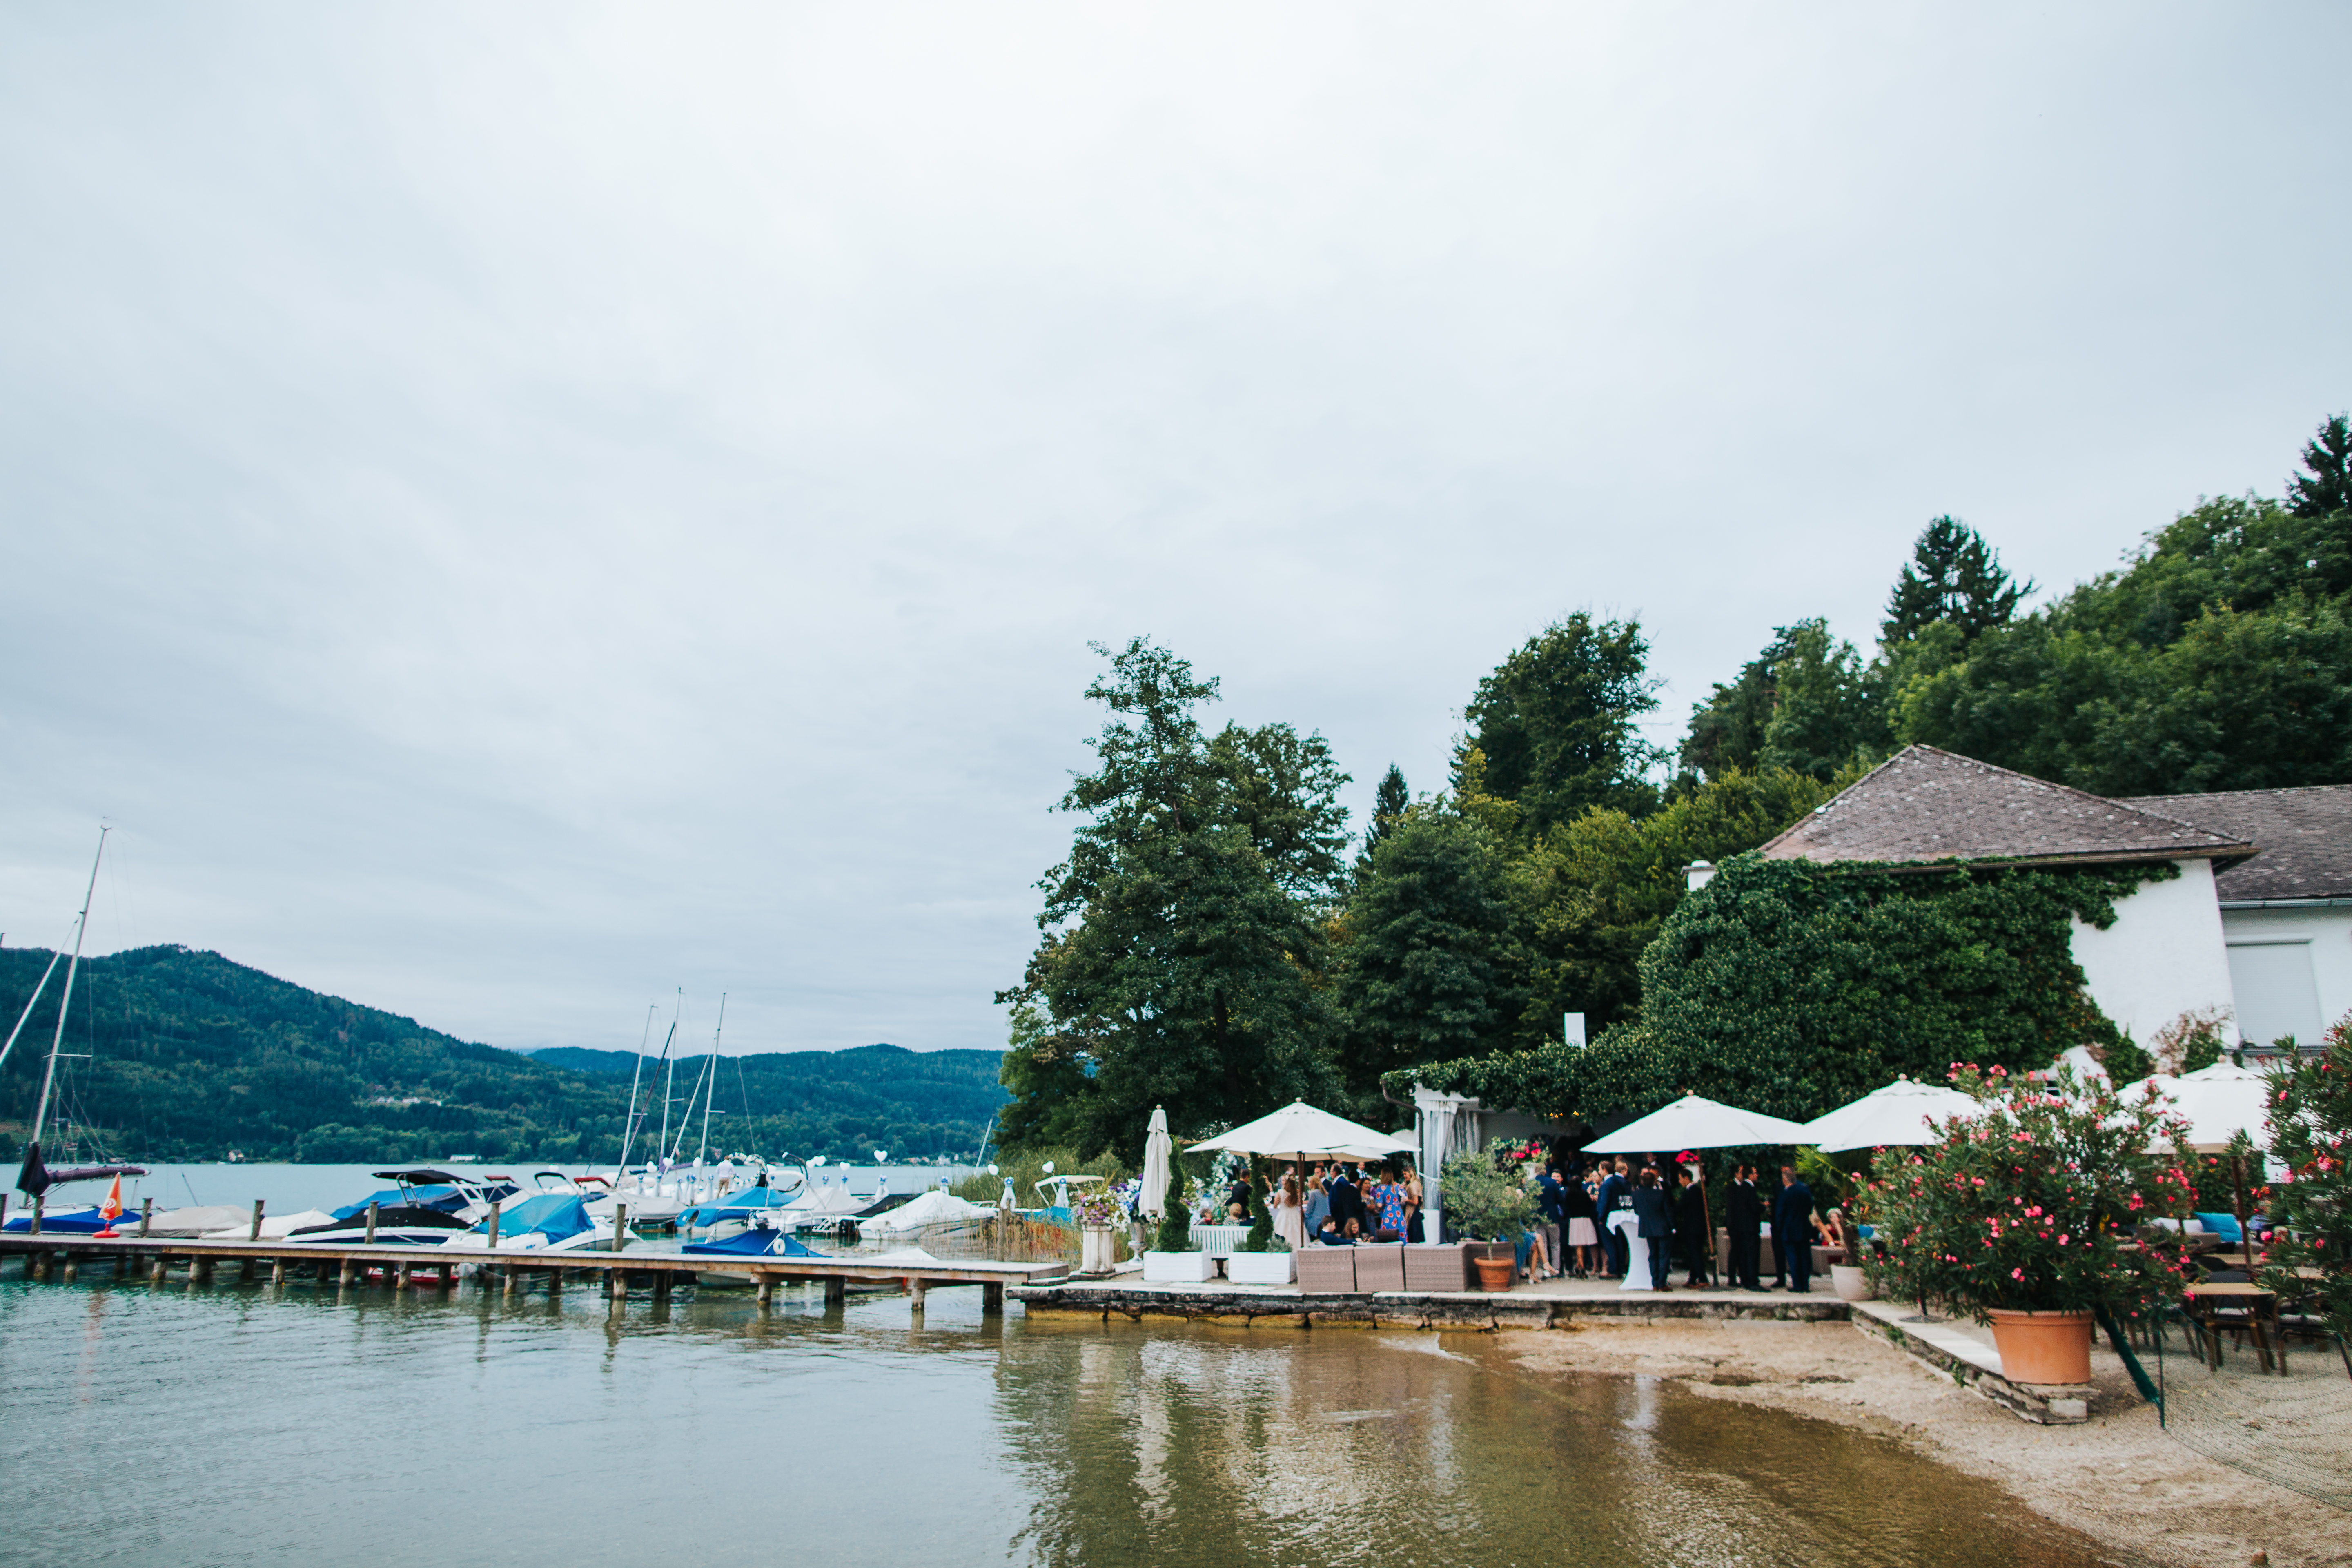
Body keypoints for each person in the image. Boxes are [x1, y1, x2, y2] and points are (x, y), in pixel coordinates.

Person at [1628, 1169, 1674, 1291]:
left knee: (1653, 1255)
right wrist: (1673, 1226)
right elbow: (1668, 1212)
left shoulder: (1637, 1194)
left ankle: (1655, 1282)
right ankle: (1662, 1283)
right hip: (1662, 1227)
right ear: (1654, 1182)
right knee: (1664, 1256)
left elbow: (1637, 1211)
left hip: (1647, 1227)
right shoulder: (1660, 1194)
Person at [1774, 1164, 1815, 1294]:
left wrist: (1780, 1228)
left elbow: (1780, 1213)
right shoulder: (1805, 1191)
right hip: (1804, 1228)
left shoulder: (1785, 1194)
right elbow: (1810, 1209)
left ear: (1785, 1180)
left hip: (1789, 1230)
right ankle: (1805, 1284)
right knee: (1804, 1257)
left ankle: (1797, 1284)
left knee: (1793, 1257)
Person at [1726, 1165, 1764, 1291]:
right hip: (1748, 1227)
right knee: (1750, 1254)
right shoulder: (1748, 1188)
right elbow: (1753, 1207)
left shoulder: (1742, 1188)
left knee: (1745, 1254)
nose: (1757, 1175)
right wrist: (1764, 1206)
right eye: (1756, 1173)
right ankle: (1751, 1281)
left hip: (1743, 1227)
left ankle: (1746, 1279)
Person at [1673, 1167, 1713, 1286]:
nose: (1679, 1182)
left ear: (1686, 1178)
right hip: (1699, 1228)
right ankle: (1693, 1278)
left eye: (1680, 1179)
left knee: (1695, 1254)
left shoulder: (1689, 1192)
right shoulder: (1697, 1190)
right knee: (1696, 1253)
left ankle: (1703, 1279)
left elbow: (1680, 1207)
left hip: (1692, 1228)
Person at [1595, 1159, 1631, 1278]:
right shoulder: (1620, 1181)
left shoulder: (1607, 1184)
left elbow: (1604, 1202)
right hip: (1619, 1216)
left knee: (1610, 1244)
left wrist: (1600, 1216)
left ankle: (1614, 1269)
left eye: (1600, 1169)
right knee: (1619, 1243)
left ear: (1604, 1171)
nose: (1599, 1171)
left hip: (1607, 1218)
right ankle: (1619, 1268)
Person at [1563, 1164, 1599, 1277]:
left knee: (1578, 1245)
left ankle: (1579, 1266)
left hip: (1574, 1221)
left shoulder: (1568, 1195)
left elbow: (1566, 1208)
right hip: (1585, 1220)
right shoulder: (1584, 1194)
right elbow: (1589, 1205)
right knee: (1582, 1245)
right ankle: (1582, 1267)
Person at [1272, 1172, 1308, 1252]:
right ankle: (1298, 1247)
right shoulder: (1297, 1193)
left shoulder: (1281, 1192)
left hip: (1284, 1214)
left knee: (1282, 1230)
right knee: (1297, 1232)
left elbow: (1275, 1205)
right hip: (1295, 1214)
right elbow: (1299, 1204)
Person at [1402, 1163, 1425, 1243]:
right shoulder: (1416, 1183)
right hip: (1416, 1212)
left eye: (1406, 1174)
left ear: (1410, 1173)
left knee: (1414, 1235)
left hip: (1412, 1213)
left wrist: (1406, 1200)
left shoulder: (1412, 1185)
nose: (1405, 1176)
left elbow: (1415, 1202)